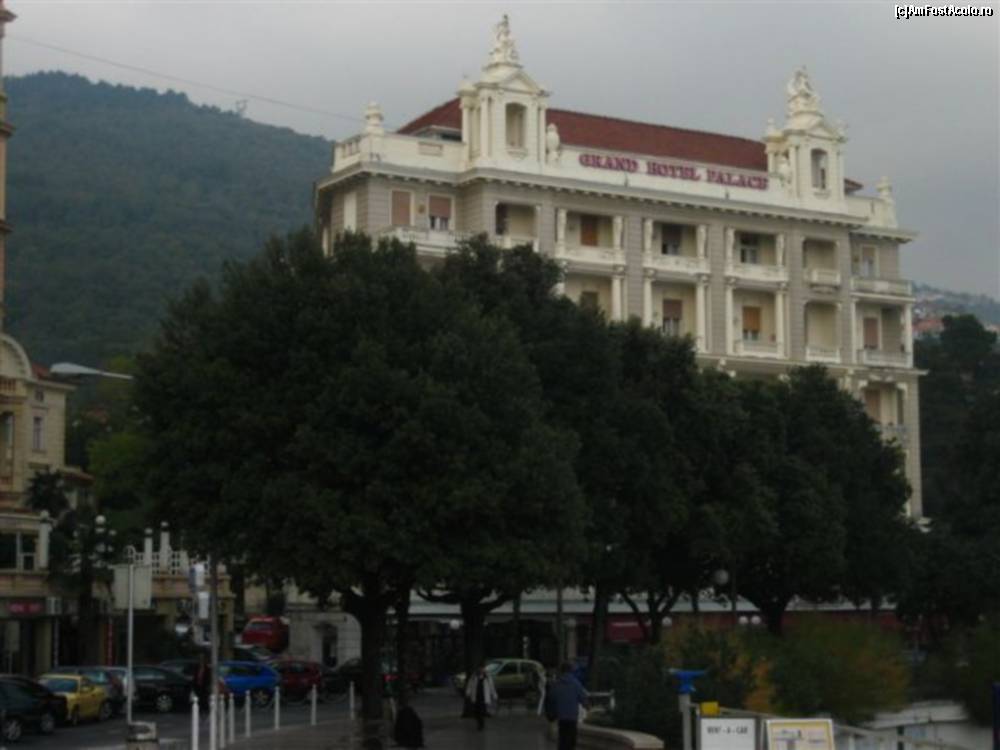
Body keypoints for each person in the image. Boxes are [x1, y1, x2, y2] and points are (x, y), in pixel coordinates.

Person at [545, 661, 589, 750]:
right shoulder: (576, 684)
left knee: (563, 739)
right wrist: (587, 707)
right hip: (572, 717)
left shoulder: (556, 684)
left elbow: (551, 698)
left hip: (561, 717)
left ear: (561, 671)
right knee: (571, 740)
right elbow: (583, 698)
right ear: (571, 670)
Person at [464, 663, 498, 731]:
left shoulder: (487, 677)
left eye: (482, 668)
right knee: (476, 711)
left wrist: (494, 695)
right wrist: (468, 692)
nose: (481, 670)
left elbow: (491, 687)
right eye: (480, 668)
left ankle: (481, 725)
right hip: (476, 696)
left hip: (484, 697)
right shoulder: (474, 676)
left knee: (481, 711)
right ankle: (479, 722)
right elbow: (470, 685)